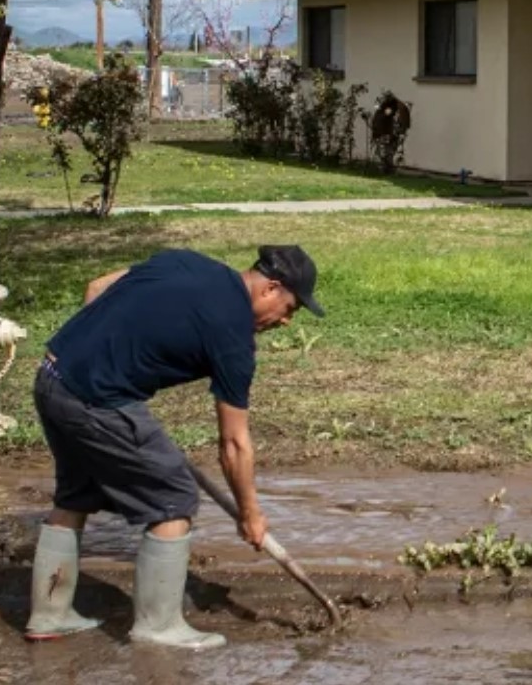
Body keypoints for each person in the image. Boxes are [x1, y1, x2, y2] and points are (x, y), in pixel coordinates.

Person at [23, 244, 324, 649]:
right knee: (174, 495)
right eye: (290, 309)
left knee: (77, 493)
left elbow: (97, 289)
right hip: (97, 400)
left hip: (53, 377)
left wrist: (110, 360)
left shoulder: (187, 262)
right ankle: (158, 628)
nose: (286, 321)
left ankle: (50, 614)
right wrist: (251, 515)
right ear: (271, 288)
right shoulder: (233, 337)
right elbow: (234, 444)